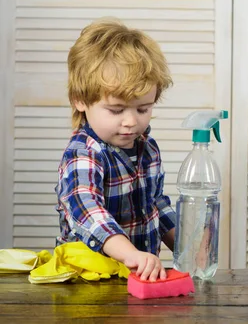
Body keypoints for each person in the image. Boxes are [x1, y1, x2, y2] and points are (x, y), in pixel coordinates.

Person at [54, 19, 176, 281]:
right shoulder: (84, 152)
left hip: (137, 276)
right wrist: (129, 253)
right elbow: (87, 210)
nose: (131, 121)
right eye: (116, 110)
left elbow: (155, 204)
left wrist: (186, 242)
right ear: (80, 100)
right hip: (87, 280)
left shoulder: (148, 148)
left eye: (143, 109)